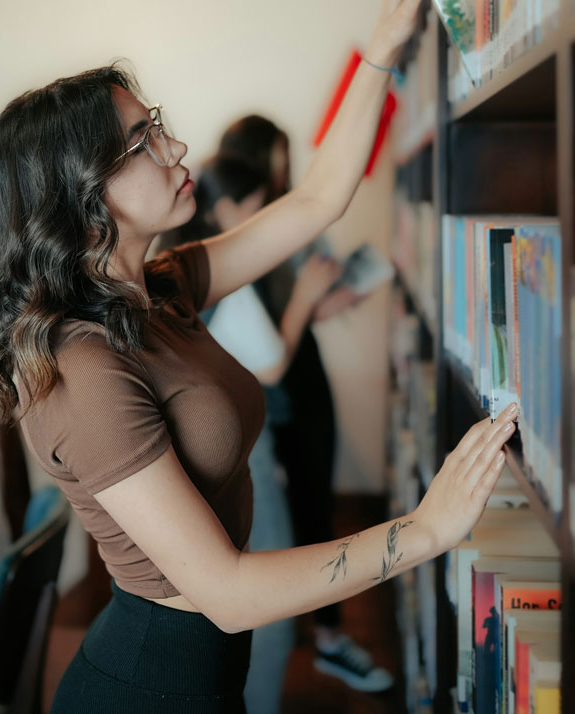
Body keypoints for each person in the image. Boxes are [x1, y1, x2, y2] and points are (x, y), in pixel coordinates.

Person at [0, 2, 517, 711]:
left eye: (157, 124)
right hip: (150, 684)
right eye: (144, 142)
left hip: (208, 670)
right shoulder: (84, 373)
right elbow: (224, 593)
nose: (177, 147)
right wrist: (426, 531)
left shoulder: (158, 291)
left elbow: (317, 200)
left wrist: (381, 48)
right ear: (82, 196)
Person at [161, 154, 350, 714]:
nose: (260, 216)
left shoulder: (173, 270)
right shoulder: (208, 278)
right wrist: (306, 295)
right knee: (271, 609)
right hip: (245, 453)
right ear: (225, 207)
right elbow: (270, 363)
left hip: (213, 453)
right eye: (253, 205)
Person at [217, 115, 394, 690]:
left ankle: (325, 633)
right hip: (269, 377)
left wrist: (333, 293)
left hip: (298, 374)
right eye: (275, 161)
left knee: (313, 498)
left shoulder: (285, 211)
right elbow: (267, 343)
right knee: (275, 513)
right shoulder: (232, 226)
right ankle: (306, 631)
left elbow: (306, 300)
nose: (283, 172)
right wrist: (312, 297)